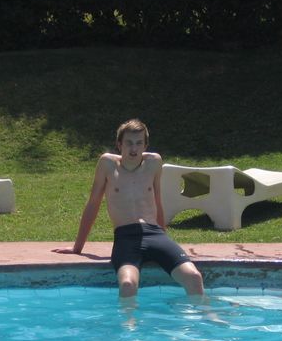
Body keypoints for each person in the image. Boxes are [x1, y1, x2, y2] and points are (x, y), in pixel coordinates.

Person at [55, 119, 204, 299]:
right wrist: (77, 247)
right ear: (119, 145)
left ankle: (204, 320)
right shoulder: (107, 164)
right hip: (126, 238)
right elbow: (93, 204)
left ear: (145, 145)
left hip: (155, 235)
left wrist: (165, 237)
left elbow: (157, 201)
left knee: (194, 277)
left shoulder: (154, 163)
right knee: (127, 284)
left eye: (139, 143)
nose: (134, 149)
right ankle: (129, 326)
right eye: (129, 143)